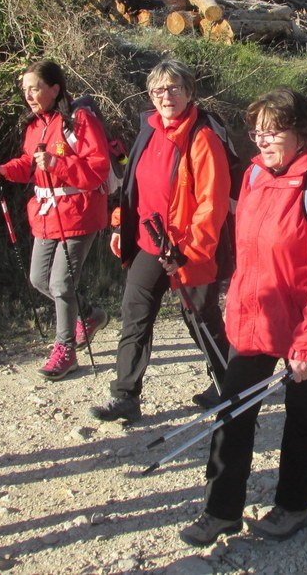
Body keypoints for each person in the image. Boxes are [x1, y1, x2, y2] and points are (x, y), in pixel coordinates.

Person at [179, 88, 307, 548]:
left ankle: (294, 507)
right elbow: (245, 249)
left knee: (303, 418)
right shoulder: (255, 175)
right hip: (256, 317)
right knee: (230, 412)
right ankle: (220, 511)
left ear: (302, 132)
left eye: (273, 130)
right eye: (257, 130)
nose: (262, 140)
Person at [89, 60, 231, 423]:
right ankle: (125, 396)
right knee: (134, 315)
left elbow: (211, 204)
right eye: (158, 90)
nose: (165, 96)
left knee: (201, 319)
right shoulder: (148, 130)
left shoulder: (203, 138)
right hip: (149, 244)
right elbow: (130, 188)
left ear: (188, 91)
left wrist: (189, 252)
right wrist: (120, 225)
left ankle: (232, 384)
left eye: (173, 88)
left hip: (189, 248)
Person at [0, 61, 110, 380]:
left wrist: (57, 163)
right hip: (47, 213)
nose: (28, 94)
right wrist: (4, 171)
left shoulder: (78, 120)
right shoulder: (34, 123)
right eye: (25, 89)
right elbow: (29, 163)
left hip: (79, 211)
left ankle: (65, 350)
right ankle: (89, 315)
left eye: (35, 88)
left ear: (55, 89)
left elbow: (98, 169)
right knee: (39, 279)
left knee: (60, 283)